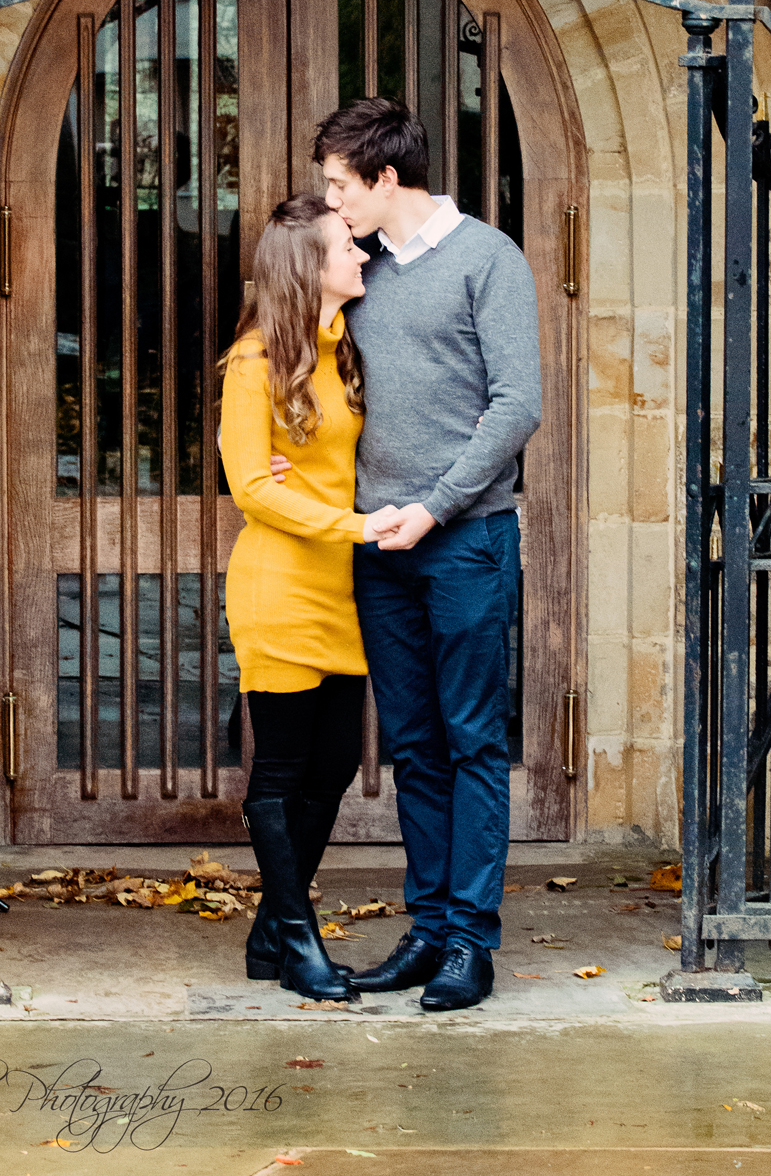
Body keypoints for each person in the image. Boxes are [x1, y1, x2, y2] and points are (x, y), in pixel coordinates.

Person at [307, 96, 541, 1011]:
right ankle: (431, 926)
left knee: (473, 738)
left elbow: (516, 405)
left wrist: (435, 509)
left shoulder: (490, 259)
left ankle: (471, 944)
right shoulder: (362, 273)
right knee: (411, 744)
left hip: (467, 539)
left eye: (339, 184)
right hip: (380, 544)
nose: (332, 203)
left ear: (385, 177)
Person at [219, 193, 403, 1002]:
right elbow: (254, 489)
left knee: (332, 765)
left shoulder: (342, 352)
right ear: (308, 268)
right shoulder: (253, 363)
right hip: (282, 587)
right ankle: (298, 938)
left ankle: (269, 933)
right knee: (284, 770)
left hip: (342, 589)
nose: (362, 254)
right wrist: (355, 524)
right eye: (346, 248)